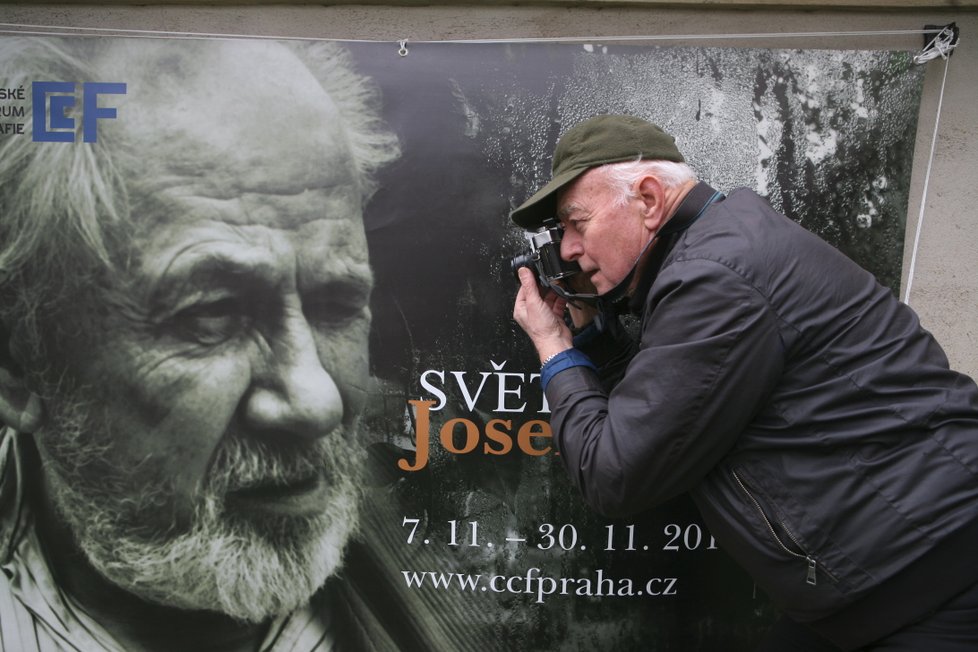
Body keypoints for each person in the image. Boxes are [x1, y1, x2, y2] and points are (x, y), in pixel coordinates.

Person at [0, 36, 470, 652]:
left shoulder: (475, 557)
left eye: (335, 306)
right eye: (213, 317)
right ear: (20, 359)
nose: (316, 402)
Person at [511, 114, 978, 651]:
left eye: (577, 222)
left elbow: (614, 473)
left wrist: (555, 348)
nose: (567, 249)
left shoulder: (715, 277)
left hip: (927, 583)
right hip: (883, 577)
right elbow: (676, 411)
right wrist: (595, 337)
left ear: (646, 198)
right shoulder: (716, 250)